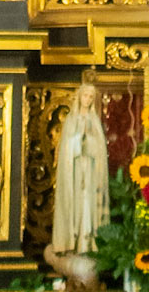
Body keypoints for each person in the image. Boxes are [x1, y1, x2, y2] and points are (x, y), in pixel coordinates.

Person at [46, 77, 111, 284]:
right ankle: (71, 244)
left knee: (87, 208)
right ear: (79, 97)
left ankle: (88, 245)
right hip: (74, 174)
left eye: (91, 96)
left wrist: (90, 142)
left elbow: (100, 150)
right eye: (86, 95)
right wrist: (77, 141)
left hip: (90, 174)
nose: (88, 99)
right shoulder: (72, 120)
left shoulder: (94, 121)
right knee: (74, 208)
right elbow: (65, 150)